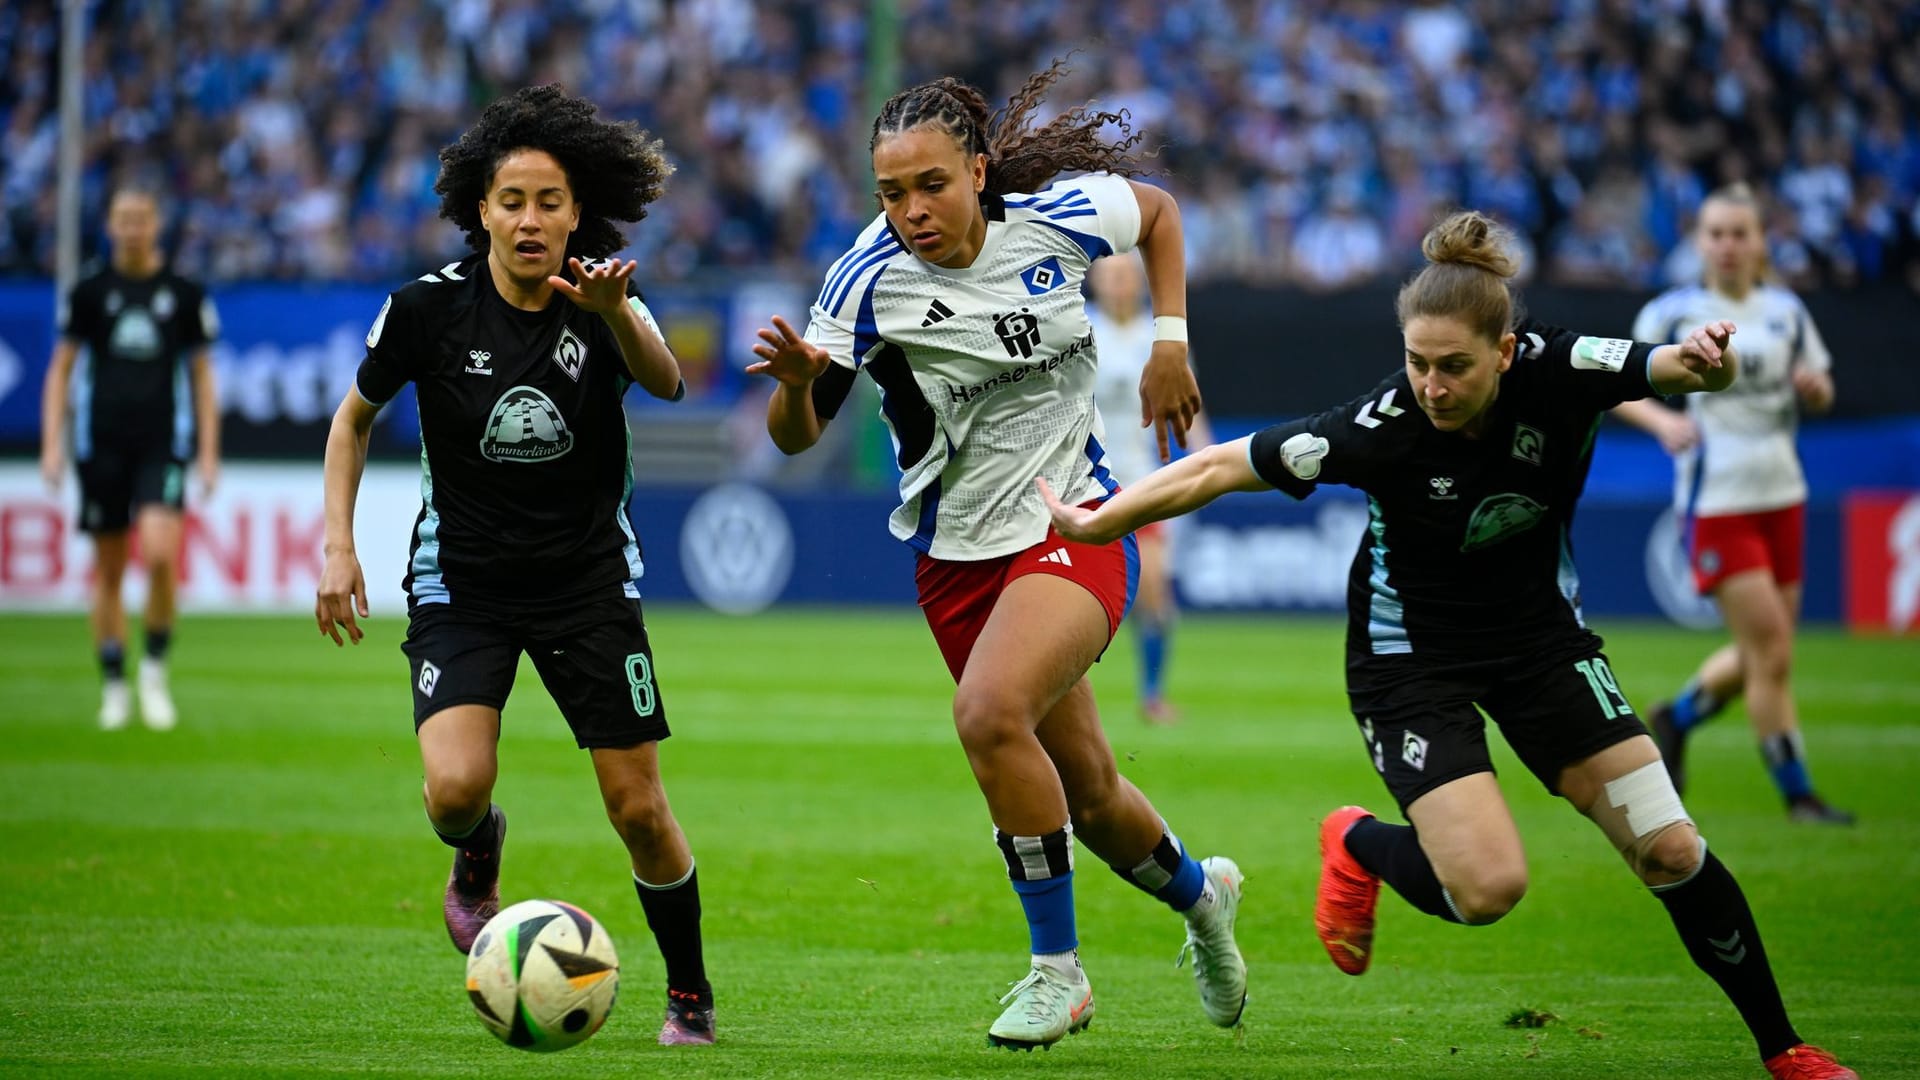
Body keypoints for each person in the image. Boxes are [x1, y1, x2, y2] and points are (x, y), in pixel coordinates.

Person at [1039, 212, 1856, 1080]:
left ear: (1507, 351)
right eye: (1417, 362)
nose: (1430, 384)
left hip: (1543, 643)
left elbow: (1670, 367)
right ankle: (1357, 843)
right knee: (1488, 891)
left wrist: (1708, 362)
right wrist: (1104, 522)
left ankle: (1785, 1047)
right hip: (1409, 664)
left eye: (1454, 366)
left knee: (1671, 849)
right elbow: (1217, 467)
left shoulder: (1559, 368)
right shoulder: (1379, 425)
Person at [746, 62, 1247, 1049]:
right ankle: (1204, 903)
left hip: (1078, 524)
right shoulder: (863, 281)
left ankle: (1056, 972)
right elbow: (792, 440)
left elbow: (1160, 214)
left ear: (978, 170)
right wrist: (802, 387)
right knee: (1094, 796)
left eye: (931, 184)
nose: (912, 209)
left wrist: (1170, 339)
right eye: (891, 193)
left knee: (986, 712)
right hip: (957, 560)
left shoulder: (1059, 219)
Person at [313, 85, 717, 1046]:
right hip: (464, 581)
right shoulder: (424, 311)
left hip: (587, 582)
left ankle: (690, 995)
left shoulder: (605, 296)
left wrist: (620, 315)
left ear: (577, 211)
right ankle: (477, 849)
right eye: (511, 201)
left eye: (549, 202)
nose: (531, 220)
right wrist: (338, 545)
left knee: (639, 808)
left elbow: (667, 379)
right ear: (479, 211)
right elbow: (352, 422)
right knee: (455, 791)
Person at [1614, 184, 1850, 825]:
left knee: (1765, 652)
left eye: (1738, 233)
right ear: (1699, 242)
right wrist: (1663, 426)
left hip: (1785, 494)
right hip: (1717, 502)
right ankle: (1798, 794)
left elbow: (1822, 388)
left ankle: (1677, 715)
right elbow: (1613, 384)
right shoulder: (1671, 312)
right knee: (1772, 651)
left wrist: (1815, 387)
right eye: (1715, 233)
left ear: (1759, 242)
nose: (1726, 245)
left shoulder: (1785, 311)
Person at [39, 187, 220, 732]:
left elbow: (202, 377)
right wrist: (53, 443)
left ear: (156, 223)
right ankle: (115, 684)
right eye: (124, 218)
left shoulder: (182, 293)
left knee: (162, 554)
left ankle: (155, 672)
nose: (133, 227)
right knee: (110, 569)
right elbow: (61, 370)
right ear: (111, 224)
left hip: (162, 444)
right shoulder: (92, 292)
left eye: (142, 217)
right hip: (102, 446)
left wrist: (209, 452)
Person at [1086, 252, 1212, 724]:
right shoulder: (1080, 329)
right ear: (1097, 284)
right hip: (1083, 480)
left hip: (1141, 482)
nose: (1119, 285)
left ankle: (1153, 694)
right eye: (1110, 277)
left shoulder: (1160, 338)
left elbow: (1188, 404)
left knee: (1154, 592)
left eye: (1126, 276)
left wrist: (1205, 454)